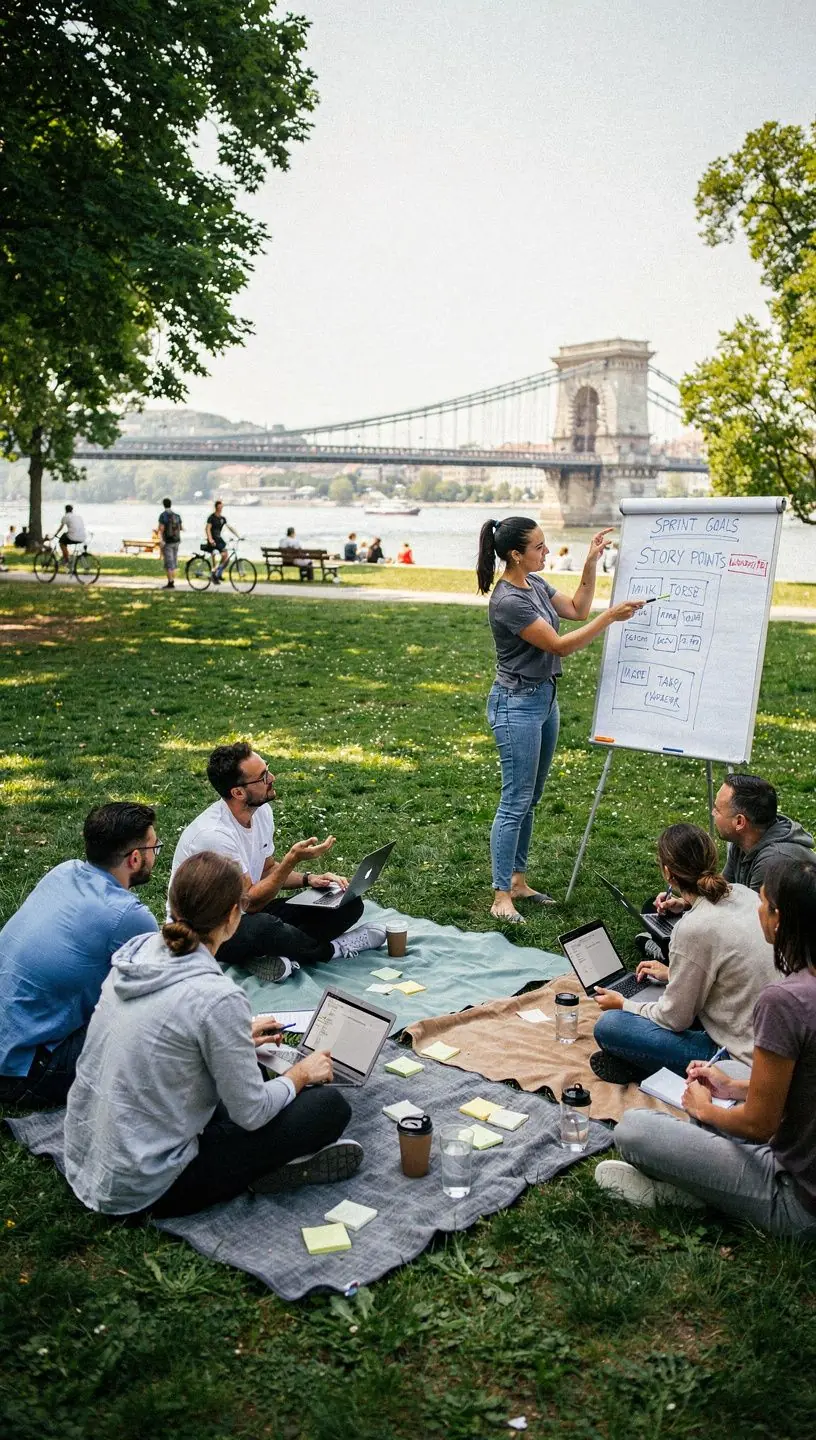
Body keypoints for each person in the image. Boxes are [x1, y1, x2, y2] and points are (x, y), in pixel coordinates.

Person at [63, 851, 362, 1218]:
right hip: (151, 1184)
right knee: (327, 1108)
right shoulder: (217, 997)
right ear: (234, 917)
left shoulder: (138, 953)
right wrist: (301, 1074)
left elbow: (168, 1032)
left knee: (233, 1090)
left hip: (89, 1156)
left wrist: (234, 1037)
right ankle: (271, 1170)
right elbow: (252, 1113)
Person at [596, 858, 816, 1238]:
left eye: (763, 903)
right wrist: (734, 1090)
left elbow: (758, 1124)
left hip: (796, 1198)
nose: (758, 911)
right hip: (800, 1145)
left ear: (779, 919)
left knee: (634, 1129)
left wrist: (705, 1109)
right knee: (728, 1073)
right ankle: (709, 1177)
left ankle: (691, 1192)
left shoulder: (786, 1001)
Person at [476, 517, 644, 922]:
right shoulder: (508, 601)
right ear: (516, 554)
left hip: (543, 699)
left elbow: (576, 608)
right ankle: (501, 895)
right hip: (515, 705)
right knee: (514, 800)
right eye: (539, 547)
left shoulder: (533, 585)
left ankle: (518, 880)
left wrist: (590, 561)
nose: (546, 552)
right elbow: (560, 646)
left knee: (529, 799)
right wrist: (609, 619)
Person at [170, 742, 386, 982]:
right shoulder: (215, 835)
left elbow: (267, 870)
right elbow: (250, 902)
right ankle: (333, 950)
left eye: (267, 769)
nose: (272, 777)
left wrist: (310, 879)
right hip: (207, 931)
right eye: (263, 777)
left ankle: (268, 956)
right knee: (265, 927)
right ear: (238, 792)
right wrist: (291, 860)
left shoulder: (260, 811)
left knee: (347, 904)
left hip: (244, 912)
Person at [0, 803, 159, 1108]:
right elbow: (164, 992)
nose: (155, 855)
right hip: (26, 1073)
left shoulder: (65, 870)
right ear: (135, 858)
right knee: (153, 1030)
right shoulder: (127, 915)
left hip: (9, 1041)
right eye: (154, 847)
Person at [592, 823, 776, 1082]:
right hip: (770, 1040)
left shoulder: (693, 928)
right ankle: (638, 1061)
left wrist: (624, 1004)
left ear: (668, 873)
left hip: (738, 1058)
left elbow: (674, 1019)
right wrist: (673, 974)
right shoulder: (744, 894)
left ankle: (639, 1063)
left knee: (609, 1026)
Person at [713, 773, 815, 891]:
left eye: (717, 810)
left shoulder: (772, 862)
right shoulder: (740, 841)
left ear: (740, 822)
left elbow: (755, 908)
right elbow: (724, 889)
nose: (712, 813)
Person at [205, 500, 238, 583]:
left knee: (226, 558)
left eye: (221, 507)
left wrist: (238, 536)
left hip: (219, 539)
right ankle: (214, 573)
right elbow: (207, 529)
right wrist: (210, 539)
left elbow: (229, 527)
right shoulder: (211, 517)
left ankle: (217, 573)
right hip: (212, 539)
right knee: (222, 555)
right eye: (219, 507)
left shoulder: (222, 519)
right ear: (216, 507)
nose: (220, 509)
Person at [158, 497, 182, 590]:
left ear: (164, 505)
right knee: (174, 562)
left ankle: (170, 583)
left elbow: (161, 529)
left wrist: (161, 540)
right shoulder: (177, 516)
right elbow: (180, 528)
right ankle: (172, 580)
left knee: (168, 563)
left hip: (167, 542)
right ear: (170, 504)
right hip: (176, 541)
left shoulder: (163, 516)